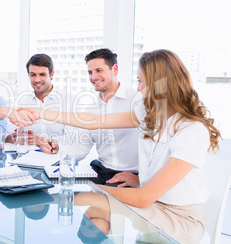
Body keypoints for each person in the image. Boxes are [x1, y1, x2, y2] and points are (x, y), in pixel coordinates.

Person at [15, 49, 221, 243]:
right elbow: (94, 121)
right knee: (97, 207)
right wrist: (39, 112)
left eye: (142, 82)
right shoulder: (149, 114)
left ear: (161, 84)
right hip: (151, 207)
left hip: (178, 219)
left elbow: (143, 197)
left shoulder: (192, 130)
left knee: (96, 203)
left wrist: (89, 191)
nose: (139, 88)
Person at [43, 48, 141, 186]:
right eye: (90, 72)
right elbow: (81, 148)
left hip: (133, 173)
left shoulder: (137, 100)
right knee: (56, 185)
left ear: (115, 69)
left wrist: (141, 179)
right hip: (101, 172)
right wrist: (58, 148)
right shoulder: (90, 109)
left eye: (99, 70)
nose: (93, 77)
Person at [6, 53, 79, 154]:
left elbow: (73, 139)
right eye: (33, 75)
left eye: (42, 74)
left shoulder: (69, 100)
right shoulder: (23, 101)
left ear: (52, 74)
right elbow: (8, 134)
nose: (37, 80)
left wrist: (39, 141)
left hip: (59, 161)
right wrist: (15, 138)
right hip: (27, 161)